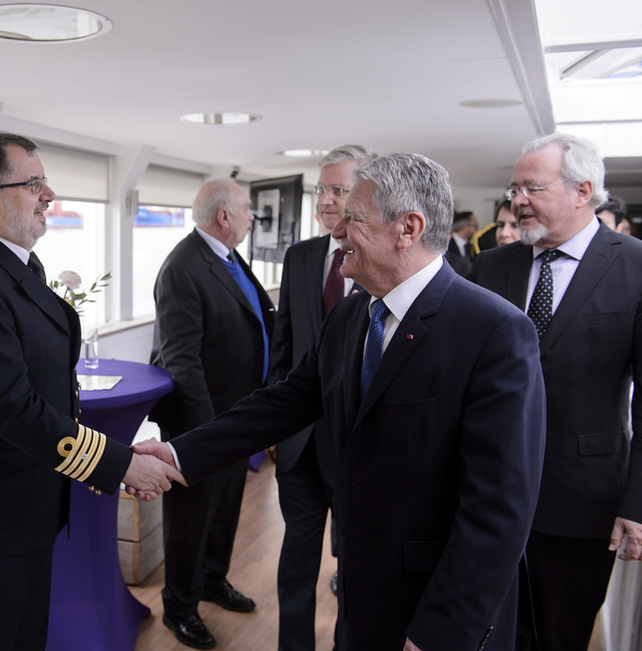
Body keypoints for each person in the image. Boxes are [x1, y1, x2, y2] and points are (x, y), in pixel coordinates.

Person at [137, 152, 546, 651]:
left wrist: (440, 631)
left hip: (433, 611)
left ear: (408, 228)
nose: (336, 230)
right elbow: (284, 402)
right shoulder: (352, 316)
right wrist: (180, 452)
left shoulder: (494, 332)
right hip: (360, 588)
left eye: (353, 218)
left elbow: (499, 508)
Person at [0, 132, 182, 651]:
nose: (49, 194)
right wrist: (120, 464)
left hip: (22, 506)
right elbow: (13, 406)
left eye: (45, 182)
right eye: (33, 184)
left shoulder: (14, 267)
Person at [470, 133, 642, 651]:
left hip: (583, 499)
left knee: (559, 634)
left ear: (582, 190)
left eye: (531, 188)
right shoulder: (491, 266)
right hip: (487, 492)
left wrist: (636, 502)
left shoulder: (634, 265)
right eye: (513, 188)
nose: (515, 200)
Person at [148, 178, 274, 649]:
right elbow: (181, 359)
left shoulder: (227, 255)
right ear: (224, 216)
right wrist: (208, 434)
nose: (251, 219)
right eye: (246, 211)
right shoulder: (183, 266)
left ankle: (211, 580)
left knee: (223, 512)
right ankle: (179, 608)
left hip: (236, 417)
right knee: (191, 519)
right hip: (201, 424)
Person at [268, 144, 375, 651]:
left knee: (355, 569)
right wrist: (273, 424)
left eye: (339, 188)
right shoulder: (301, 256)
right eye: (321, 189)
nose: (326, 200)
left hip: (360, 445)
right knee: (296, 564)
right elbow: (284, 345)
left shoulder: (381, 260)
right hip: (300, 444)